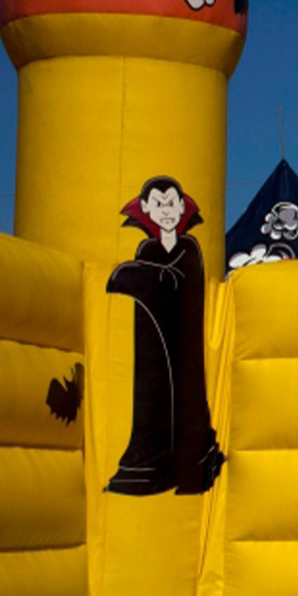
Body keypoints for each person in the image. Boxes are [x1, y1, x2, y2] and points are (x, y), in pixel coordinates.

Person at [104, 176, 224, 495]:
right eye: (158, 205)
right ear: (145, 209)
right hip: (155, 344)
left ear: (182, 206)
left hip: (184, 341)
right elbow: (158, 284)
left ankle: (190, 462)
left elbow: (184, 285)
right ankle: (153, 461)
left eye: (171, 203)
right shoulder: (148, 248)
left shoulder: (189, 247)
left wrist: (138, 277)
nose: (166, 211)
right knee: (156, 395)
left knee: (186, 394)